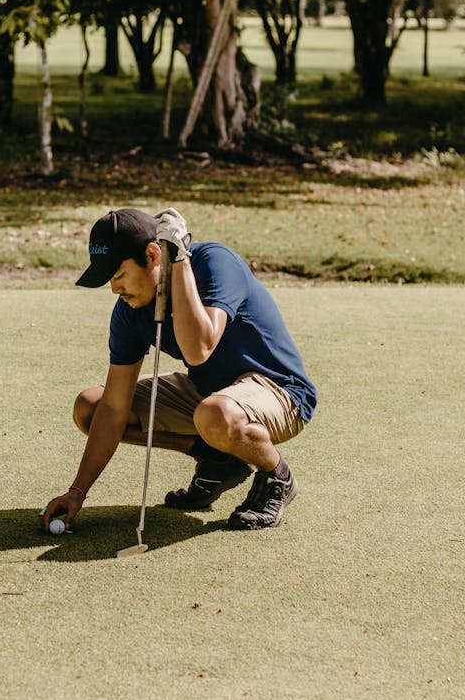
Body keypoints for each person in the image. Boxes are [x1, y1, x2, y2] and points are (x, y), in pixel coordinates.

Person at [41, 207, 316, 533]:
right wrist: (77, 491)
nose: (115, 289)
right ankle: (219, 461)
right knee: (91, 408)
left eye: (118, 275)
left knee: (215, 414)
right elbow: (115, 407)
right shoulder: (129, 310)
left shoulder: (214, 262)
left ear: (153, 254)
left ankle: (277, 477)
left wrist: (180, 259)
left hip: (281, 392)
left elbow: (199, 349)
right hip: (209, 397)